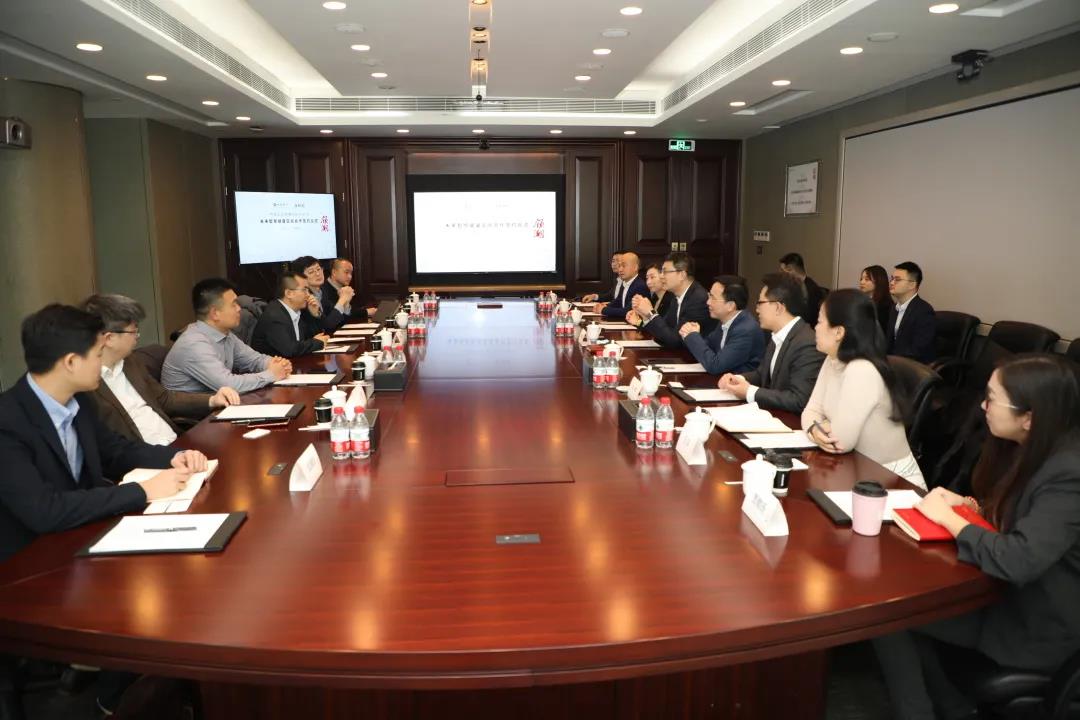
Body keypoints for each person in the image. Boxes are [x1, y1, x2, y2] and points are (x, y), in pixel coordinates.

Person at [873, 354, 1080, 720]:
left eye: (993, 399)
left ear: (1029, 417)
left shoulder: (1068, 473)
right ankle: (954, 708)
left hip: (1037, 623)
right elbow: (1025, 512)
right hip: (1006, 596)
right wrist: (974, 507)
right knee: (898, 606)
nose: (983, 406)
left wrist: (950, 520)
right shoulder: (1031, 447)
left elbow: (1019, 559)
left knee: (888, 612)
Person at [0, 305, 208, 561]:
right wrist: (142, 491)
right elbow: (44, 510)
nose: (102, 365)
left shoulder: (79, 399)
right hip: (29, 561)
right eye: (98, 355)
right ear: (71, 362)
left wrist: (174, 457)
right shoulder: (8, 422)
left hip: (86, 536)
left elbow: (115, 450)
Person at [800, 289, 926, 488]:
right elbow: (810, 411)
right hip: (857, 473)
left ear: (839, 332)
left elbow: (840, 442)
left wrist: (821, 425)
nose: (814, 327)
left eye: (820, 321)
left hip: (894, 484)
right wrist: (815, 428)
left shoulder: (861, 369)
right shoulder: (832, 360)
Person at [80, 294, 240, 444]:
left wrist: (212, 400)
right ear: (109, 339)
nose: (137, 337)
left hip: (175, 443)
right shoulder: (86, 385)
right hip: (144, 457)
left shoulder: (130, 361)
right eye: (133, 331)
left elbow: (164, 399)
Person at [162, 278, 292, 393]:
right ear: (215, 314)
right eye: (233, 304)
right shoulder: (194, 344)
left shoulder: (226, 335)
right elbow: (229, 385)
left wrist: (276, 364)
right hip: (196, 411)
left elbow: (254, 360)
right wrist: (271, 375)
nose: (239, 308)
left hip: (219, 405)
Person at [718, 272, 824, 413]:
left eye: (760, 303)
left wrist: (750, 392)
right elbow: (762, 374)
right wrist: (737, 378)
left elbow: (799, 400)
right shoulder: (778, 334)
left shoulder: (807, 344)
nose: (756, 309)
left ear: (778, 307)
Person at [678, 275, 765, 375]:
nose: (708, 302)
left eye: (713, 298)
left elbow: (715, 366)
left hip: (739, 382)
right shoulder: (725, 320)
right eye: (709, 296)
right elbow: (708, 349)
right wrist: (691, 334)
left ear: (730, 306)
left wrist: (692, 336)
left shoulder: (745, 330)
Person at [626, 252, 715, 349]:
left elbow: (675, 341)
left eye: (665, 272)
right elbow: (665, 330)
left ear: (682, 275)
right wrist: (645, 315)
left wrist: (650, 313)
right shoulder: (676, 296)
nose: (661, 276)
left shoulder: (698, 299)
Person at [250, 271, 331, 358]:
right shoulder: (274, 316)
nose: (308, 295)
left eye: (308, 290)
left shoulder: (298, 311)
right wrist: (318, 342)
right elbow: (290, 349)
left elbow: (312, 337)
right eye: (304, 290)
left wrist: (315, 315)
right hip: (272, 365)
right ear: (289, 293)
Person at [887, 261, 936, 364]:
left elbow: (918, 350)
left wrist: (891, 361)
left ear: (912, 284)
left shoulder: (924, 311)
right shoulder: (894, 308)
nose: (891, 283)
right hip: (895, 363)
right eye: (892, 279)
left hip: (914, 366)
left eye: (897, 280)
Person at [779, 252, 827, 327]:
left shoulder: (810, 290)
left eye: (782, 271)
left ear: (790, 270)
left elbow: (806, 318)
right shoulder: (794, 286)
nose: (781, 274)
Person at [596, 252, 647, 320]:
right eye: (619, 266)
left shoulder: (639, 286)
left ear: (635, 267)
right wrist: (605, 306)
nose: (620, 270)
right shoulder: (626, 283)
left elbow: (627, 311)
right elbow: (619, 301)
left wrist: (603, 310)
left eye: (624, 266)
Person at [858, 264, 892, 337]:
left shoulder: (886, 306)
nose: (862, 282)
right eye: (861, 279)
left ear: (879, 281)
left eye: (867, 279)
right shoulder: (861, 301)